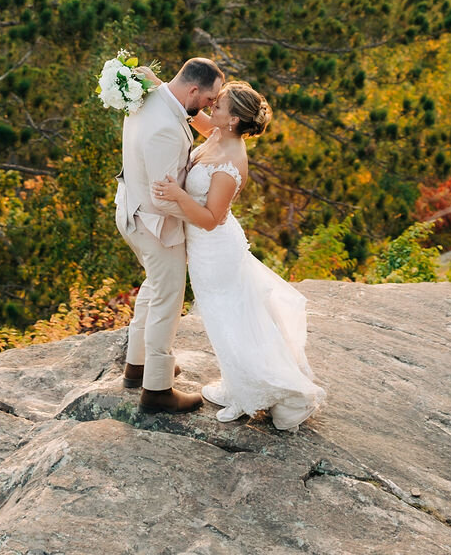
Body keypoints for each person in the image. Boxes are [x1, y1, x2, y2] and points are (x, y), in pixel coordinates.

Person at [153, 80, 326, 431]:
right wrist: (160, 87)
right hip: (205, 250)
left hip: (216, 251)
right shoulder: (220, 135)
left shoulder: (231, 162)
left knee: (227, 322)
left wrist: (176, 195)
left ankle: (250, 395)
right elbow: (197, 118)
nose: (211, 107)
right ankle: (238, 384)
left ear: (232, 120)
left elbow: (211, 219)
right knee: (224, 321)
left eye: (219, 106)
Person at [114, 55, 224, 413]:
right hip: (152, 222)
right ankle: (157, 389)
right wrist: (203, 217)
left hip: (130, 208)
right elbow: (164, 198)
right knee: (168, 299)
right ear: (193, 89)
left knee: (155, 286)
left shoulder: (152, 94)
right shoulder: (163, 125)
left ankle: (138, 365)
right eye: (209, 99)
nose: (210, 106)